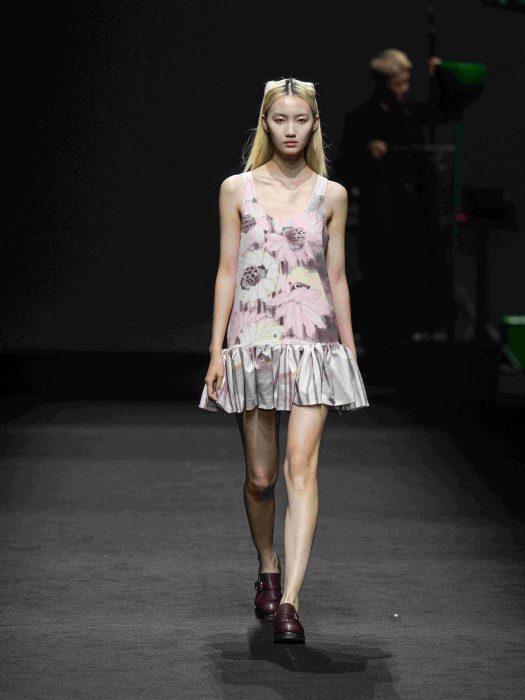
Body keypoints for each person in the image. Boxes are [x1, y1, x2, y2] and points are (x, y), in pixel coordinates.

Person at [198, 77, 369, 644]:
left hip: (315, 342)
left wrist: (348, 350)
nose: (290, 130)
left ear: (314, 123)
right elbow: (227, 270)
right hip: (253, 341)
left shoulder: (332, 194)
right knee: (261, 478)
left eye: (300, 119)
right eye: (280, 120)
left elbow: (336, 277)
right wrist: (217, 349)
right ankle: (267, 565)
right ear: (265, 124)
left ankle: (291, 600)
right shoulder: (237, 189)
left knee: (301, 470)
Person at [334, 49, 455, 366]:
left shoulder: (412, 112)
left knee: (417, 278)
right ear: (386, 81)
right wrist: (368, 154)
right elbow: (344, 167)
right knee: (382, 279)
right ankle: (380, 350)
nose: (406, 85)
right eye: (401, 79)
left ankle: (411, 347)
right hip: (382, 216)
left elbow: (444, 111)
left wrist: (439, 77)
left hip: (417, 214)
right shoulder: (362, 117)